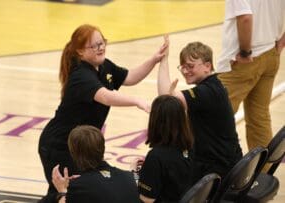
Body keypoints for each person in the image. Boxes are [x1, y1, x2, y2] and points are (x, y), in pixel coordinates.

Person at [38, 24, 167, 202]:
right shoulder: (80, 76)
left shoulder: (104, 66)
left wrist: (154, 59)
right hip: (60, 145)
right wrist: (137, 101)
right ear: (80, 52)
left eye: (102, 43)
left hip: (82, 144)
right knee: (63, 192)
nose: (101, 48)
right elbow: (105, 97)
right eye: (95, 46)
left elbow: (130, 77)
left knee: (79, 191)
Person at [158, 39, 242, 185]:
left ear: (207, 66)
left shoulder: (207, 92)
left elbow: (165, 100)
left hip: (216, 171)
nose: (185, 71)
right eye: (182, 67)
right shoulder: (214, 85)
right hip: (225, 162)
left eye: (190, 66)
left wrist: (163, 60)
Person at [217, 0, 285, 156]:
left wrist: (245, 51)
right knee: (259, 118)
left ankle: (209, 173)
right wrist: (281, 42)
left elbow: (245, 18)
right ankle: (263, 174)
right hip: (271, 53)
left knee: (213, 117)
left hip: (244, 60)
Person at [52, 125, 140, 203]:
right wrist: (132, 173)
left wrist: (62, 191)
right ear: (103, 148)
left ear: (73, 152)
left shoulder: (78, 186)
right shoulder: (130, 177)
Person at [135, 95, 194, 203]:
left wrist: (134, 174)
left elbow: (145, 200)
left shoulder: (156, 157)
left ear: (155, 120)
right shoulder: (191, 148)